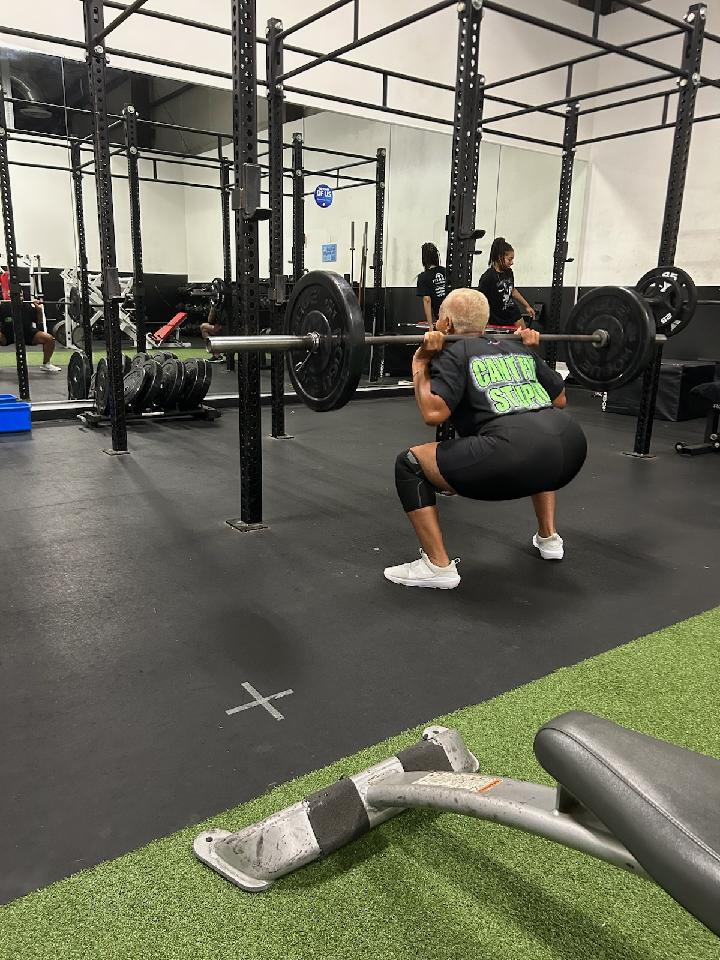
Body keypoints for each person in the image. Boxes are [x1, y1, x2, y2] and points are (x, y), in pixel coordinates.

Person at [384, 288, 587, 590]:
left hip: (514, 455)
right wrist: (532, 352)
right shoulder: (518, 348)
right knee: (534, 438)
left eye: (439, 319)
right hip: (570, 447)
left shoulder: (455, 352)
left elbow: (433, 413)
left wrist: (419, 362)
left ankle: (437, 566)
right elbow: (559, 400)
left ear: (447, 324)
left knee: (410, 463)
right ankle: (549, 538)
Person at [478, 237, 536, 331]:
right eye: (510, 259)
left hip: (512, 312)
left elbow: (512, 291)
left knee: (524, 334)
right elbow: (480, 299)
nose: (512, 262)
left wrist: (527, 305)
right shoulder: (488, 277)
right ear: (500, 257)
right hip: (496, 315)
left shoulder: (509, 272)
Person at [0, 298, 61, 373]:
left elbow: (39, 321)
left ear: (22, 297)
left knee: (49, 339)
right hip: (7, 334)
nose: (18, 297)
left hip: (27, 333)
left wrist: (39, 309)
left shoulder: (28, 307)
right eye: (15, 295)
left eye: (20, 295)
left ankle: (46, 364)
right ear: (10, 297)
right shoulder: (4, 307)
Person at [415, 242, 448, 328]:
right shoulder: (447, 272)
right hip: (454, 314)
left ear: (424, 259)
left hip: (441, 316)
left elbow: (427, 300)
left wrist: (430, 325)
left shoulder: (423, 277)